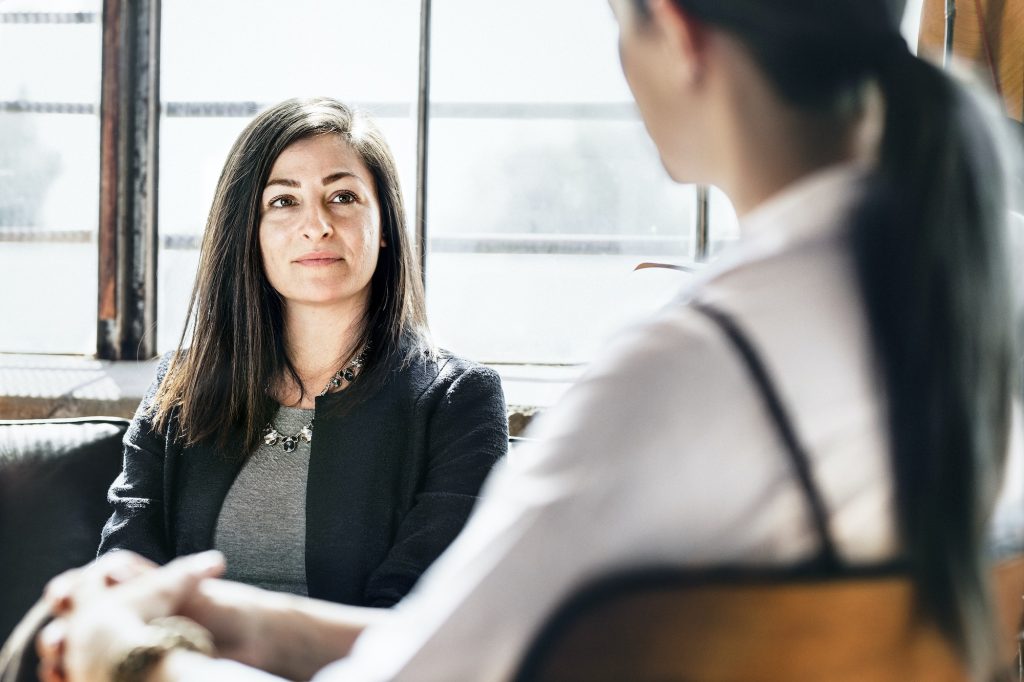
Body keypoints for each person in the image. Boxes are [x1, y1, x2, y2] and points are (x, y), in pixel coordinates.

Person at [37, 0, 1024, 680]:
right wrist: (238, 615)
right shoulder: (955, 309)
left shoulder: (683, 371)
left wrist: (129, 650)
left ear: (674, 31)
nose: (315, 226)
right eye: (283, 203)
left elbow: (419, 673)